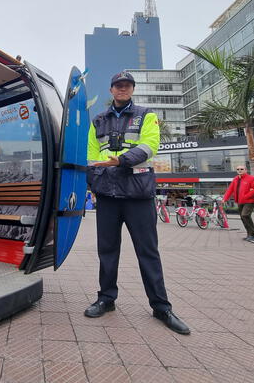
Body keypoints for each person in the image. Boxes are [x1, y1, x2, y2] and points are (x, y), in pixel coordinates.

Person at [84, 70, 190, 335]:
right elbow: (91, 155)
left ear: (132, 89)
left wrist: (121, 160)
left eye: (127, 85)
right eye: (118, 85)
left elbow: (150, 145)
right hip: (108, 195)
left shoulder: (146, 115)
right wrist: (96, 180)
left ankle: (161, 307)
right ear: (111, 89)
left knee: (148, 252)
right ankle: (106, 299)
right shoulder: (98, 120)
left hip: (138, 194)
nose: (122, 89)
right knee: (107, 251)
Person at [223, 164, 254, 242]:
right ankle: (249, 234)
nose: (239, 170)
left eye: (241, 169)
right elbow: (230, 189)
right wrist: (225, 199)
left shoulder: (252, 178)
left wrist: (245, 196)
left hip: (249, 201)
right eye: (238, 169)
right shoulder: (235, 179)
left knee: (245, 215)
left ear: (246, 170)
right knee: (243, 217)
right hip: (239, 201)